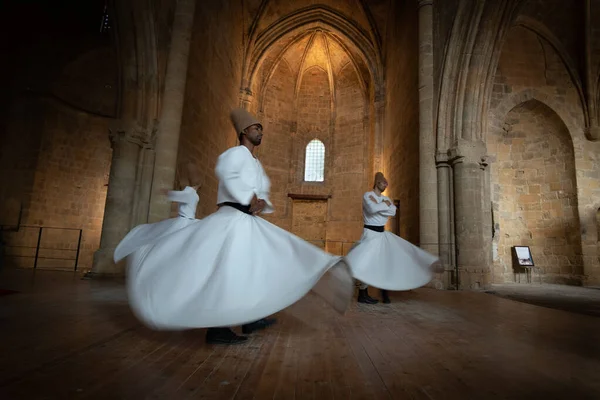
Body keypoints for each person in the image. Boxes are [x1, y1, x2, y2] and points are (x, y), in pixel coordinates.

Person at [115, 108, 353, 345]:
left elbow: (261, 189)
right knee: (228, 272)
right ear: (244, 131)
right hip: (232, 218)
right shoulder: (235, 154)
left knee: (255, 267)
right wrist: (249, 197)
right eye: (256, 128)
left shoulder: (255, 162)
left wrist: (260, 202)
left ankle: (249, 317)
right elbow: (225, 171)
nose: (261, 132)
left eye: (261, 128)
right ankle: (218, 329)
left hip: (247, 220)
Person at [345, 172, 440, 304]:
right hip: (370, 233)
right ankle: (362, 293)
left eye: (386, 184)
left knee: (384, 262)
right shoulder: (367, 196)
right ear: (377, 182)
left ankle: (383, 292)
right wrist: (384, 206)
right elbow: (372, 209)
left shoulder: (386, 198)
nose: (385, 185)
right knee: (367, 263)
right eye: (384, 183)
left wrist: (382, 205)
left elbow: (393, 211)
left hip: (382, 235)